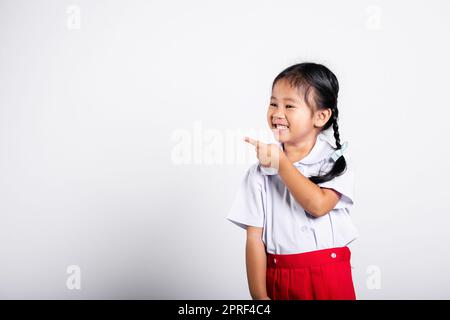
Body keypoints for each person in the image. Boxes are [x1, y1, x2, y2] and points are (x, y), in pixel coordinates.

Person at [226, 62, 358, 300]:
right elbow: (254, 239)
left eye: (289, 106)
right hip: (280, 278)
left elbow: (318, 205)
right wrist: (259, 296)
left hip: (330, 276)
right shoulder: (258, 175)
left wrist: (281, 164)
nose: (277, 113)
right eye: (273, 103)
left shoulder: (334, 162)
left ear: (321, 116)